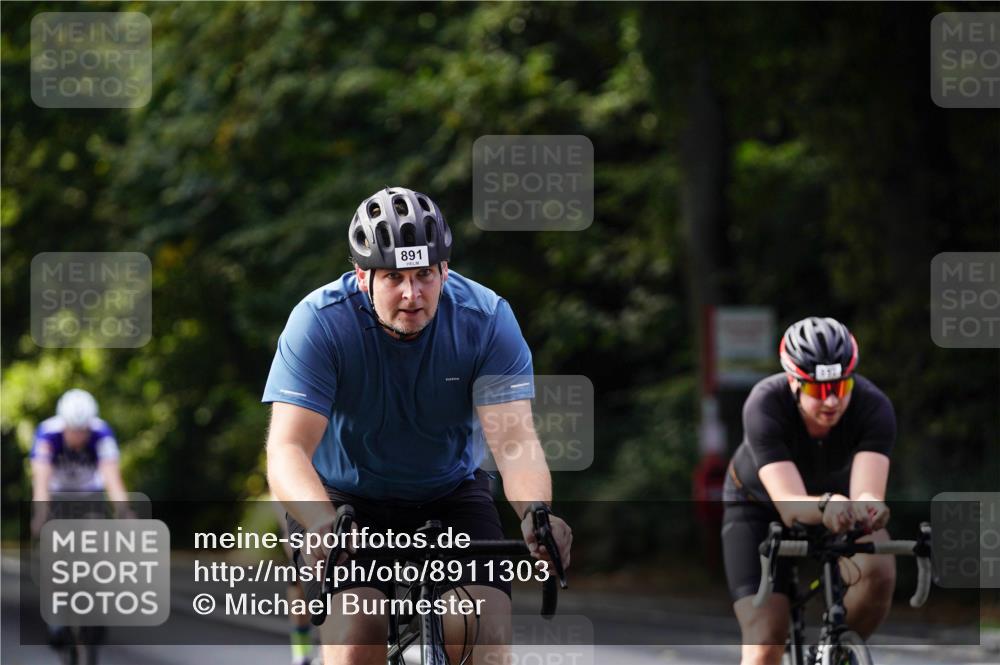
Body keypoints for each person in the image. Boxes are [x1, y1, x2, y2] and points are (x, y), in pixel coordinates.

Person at [264, 187, 573, 665]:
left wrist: (536, 512)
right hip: (344, 502)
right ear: (362, 277)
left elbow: (514, 441)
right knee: (356, 637)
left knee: (484, 634)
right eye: (394, 277)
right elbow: (288, 447)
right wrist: (321, 521)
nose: (412, 294)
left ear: (445, 270)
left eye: (425, 274)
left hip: (448, 494)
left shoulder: (486, 319)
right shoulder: (319, 323)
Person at [722, 317, 896, 665]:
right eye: (818, 390)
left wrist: (871, 509)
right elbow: (789, 506)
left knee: (879, 569)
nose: (831, 401)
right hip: (759, 509)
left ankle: (835, 652)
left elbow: (866, 495)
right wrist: (831, 505)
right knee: (765, 643)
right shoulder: (765, 403)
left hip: (835, 508)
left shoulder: (872, 405)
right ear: (793, 382)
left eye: (841, 387)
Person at [30, 388, 132, 650]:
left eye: (83, 431)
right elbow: (41, 480)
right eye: (73, 431)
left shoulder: (101, 433)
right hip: (57, 494)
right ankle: (56, 621)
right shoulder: (47, 434)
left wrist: (123, 511)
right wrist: (40, 514)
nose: (78, 436)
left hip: (89, 494)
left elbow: (112, 478)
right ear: (63, 424)